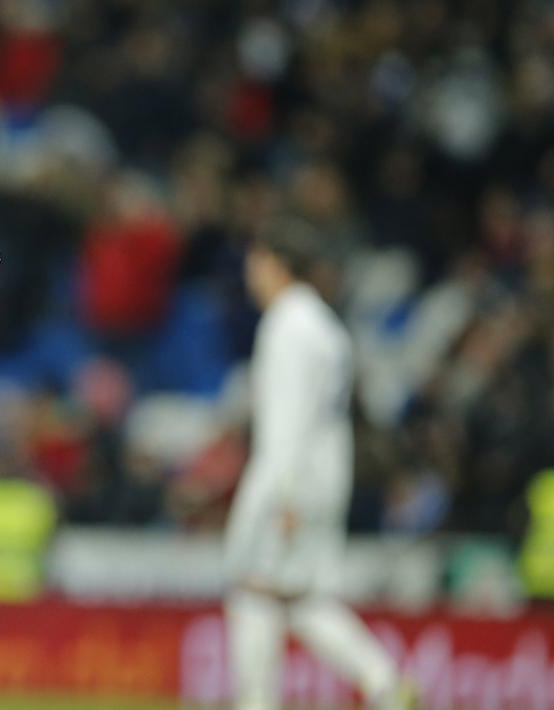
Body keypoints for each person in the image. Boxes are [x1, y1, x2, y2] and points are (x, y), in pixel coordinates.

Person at [223, 221, 412, 710]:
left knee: (253, 586)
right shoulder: (324, 325)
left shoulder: (287, 324)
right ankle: (385, 684)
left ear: (276, 264)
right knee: (296, 596)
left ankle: (260, 702)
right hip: (325, 476)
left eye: (256, 260)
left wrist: (283, 495)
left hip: (292, 480)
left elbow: (287, 422)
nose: (250, 271)